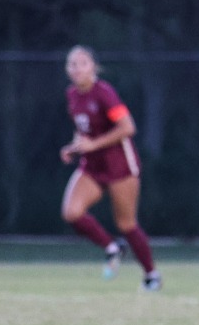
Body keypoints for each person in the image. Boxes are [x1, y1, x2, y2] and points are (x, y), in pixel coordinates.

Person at [59, 45, 161, 291]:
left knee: (126, 224)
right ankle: (112, 247)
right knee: (71, 212)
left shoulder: (104, 93)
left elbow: (127, 127)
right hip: (92, 167)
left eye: (82, 63)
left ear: (93, 67)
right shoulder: (72, 95)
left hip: (120, 166)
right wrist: (74, 147)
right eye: (72, 64)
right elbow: (84, 132)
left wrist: (93, 144)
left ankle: (151, 276)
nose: (77, 69)